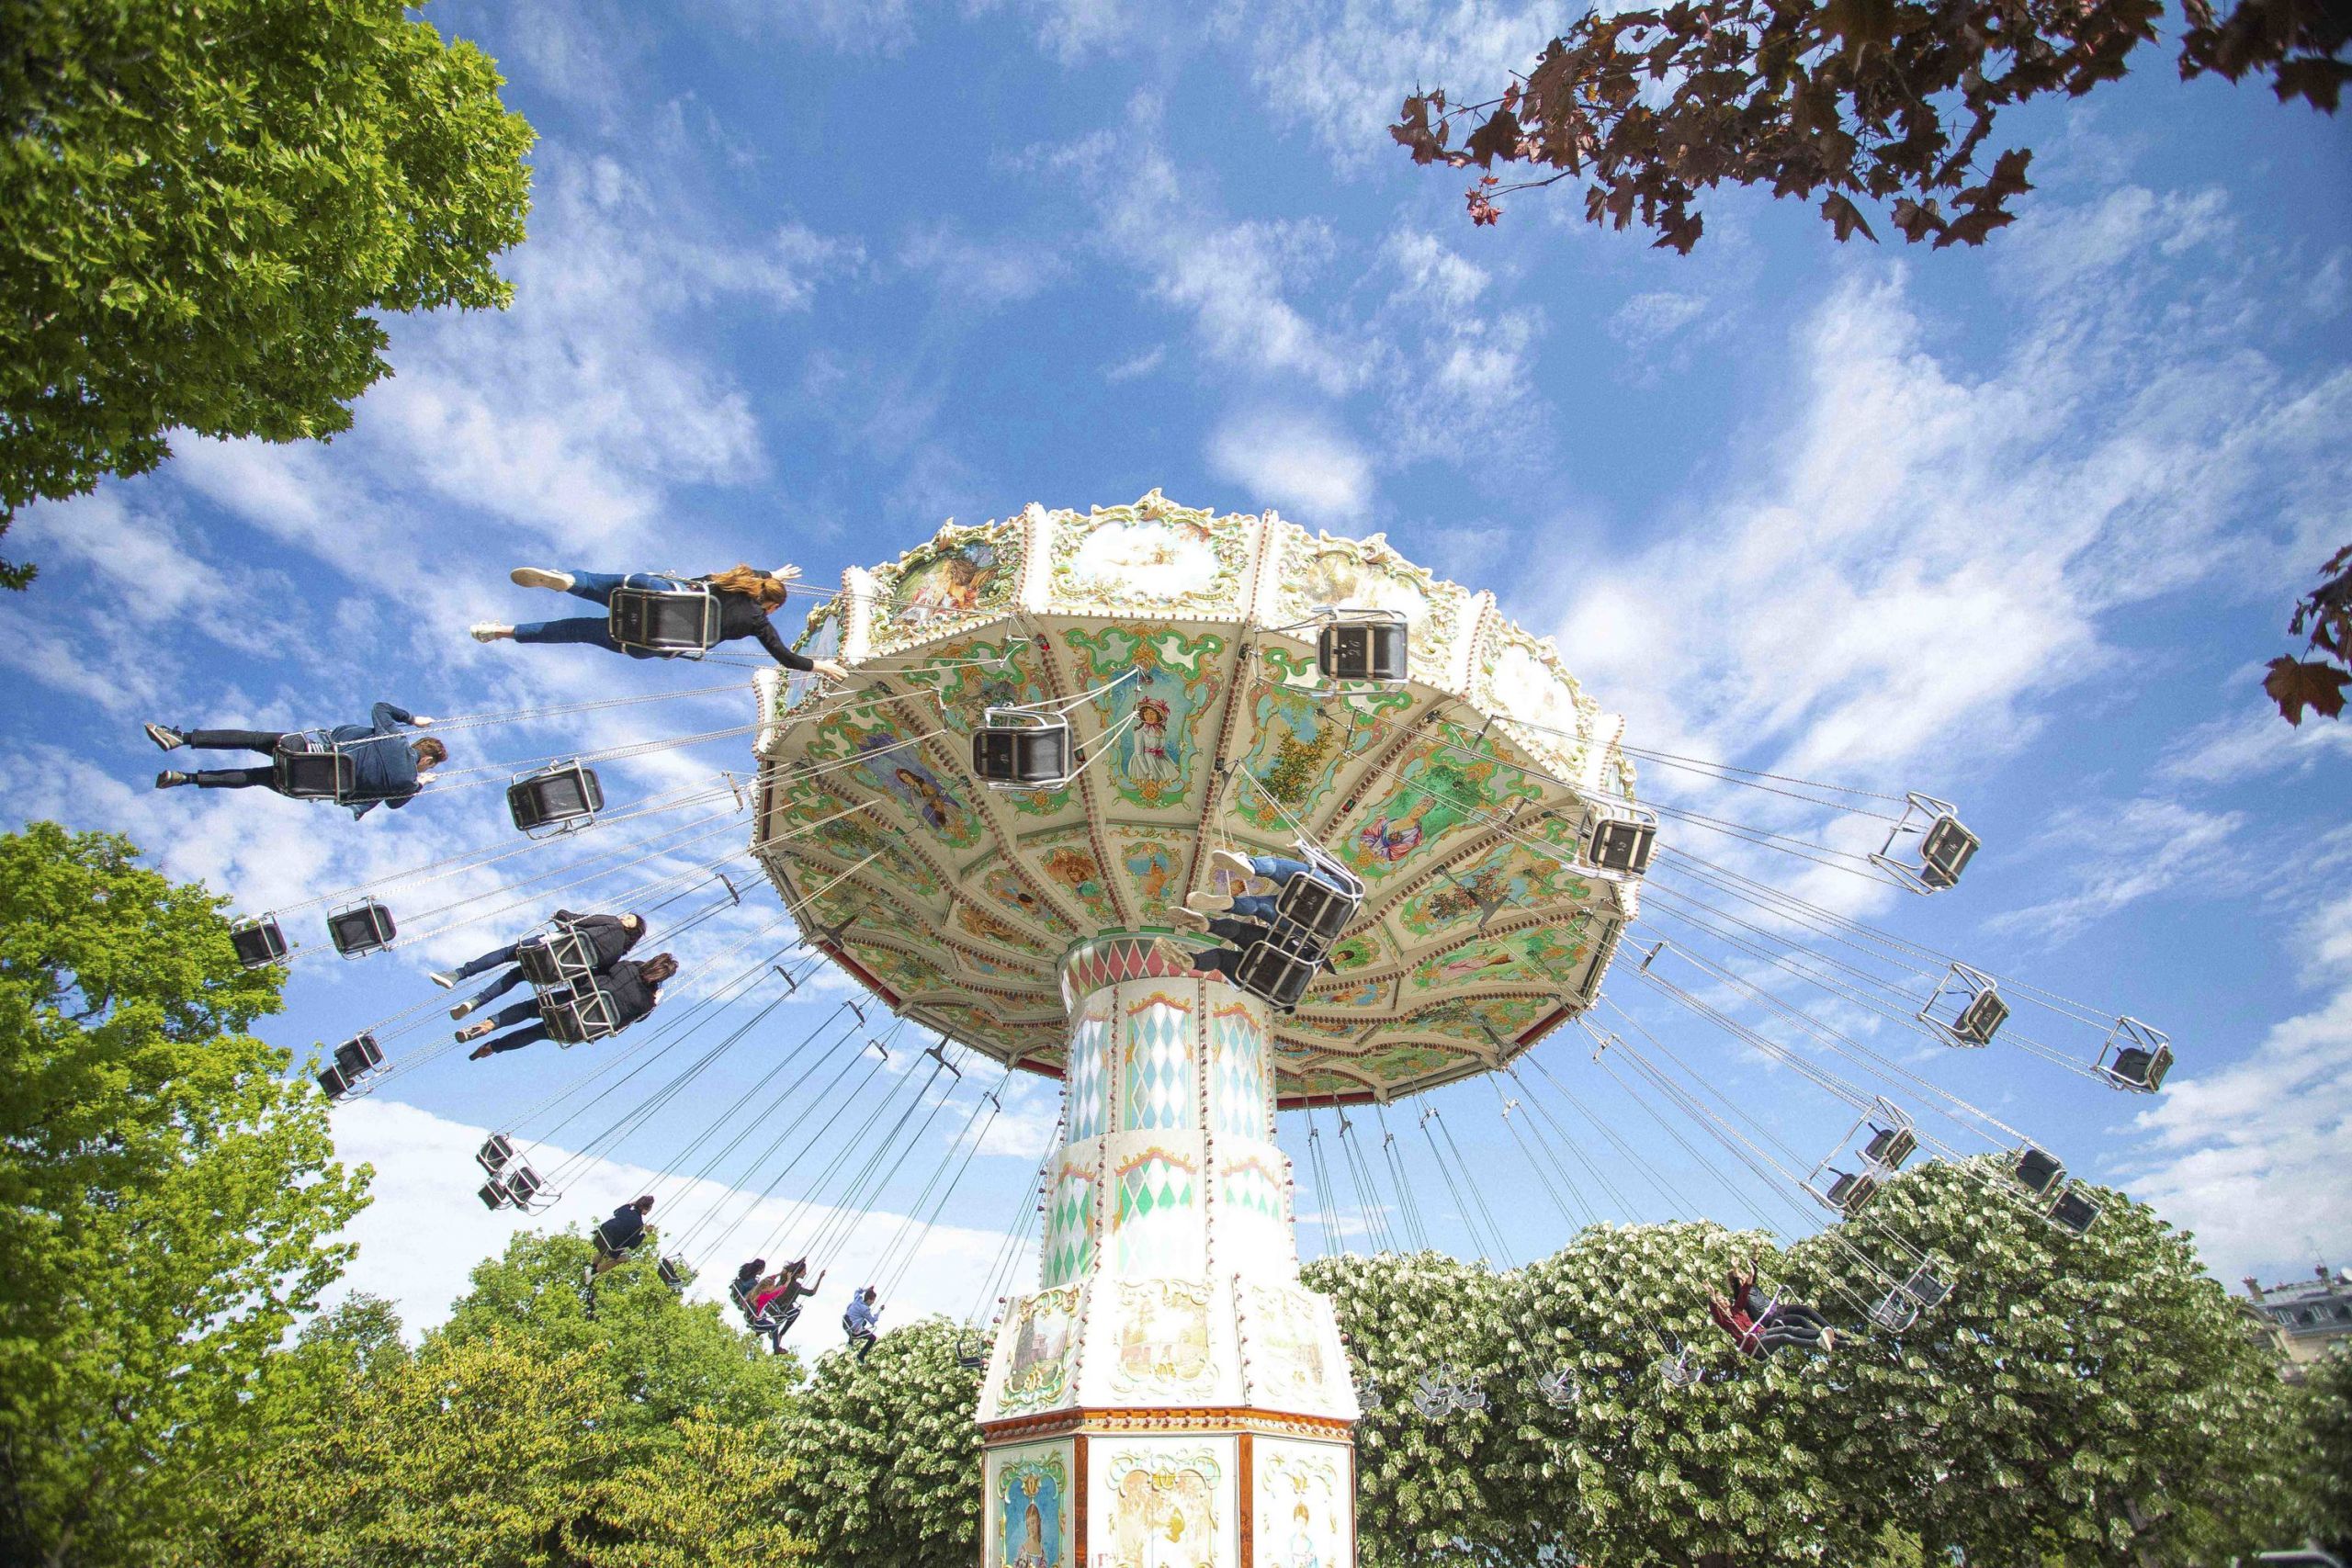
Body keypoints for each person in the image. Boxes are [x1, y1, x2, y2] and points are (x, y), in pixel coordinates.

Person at [469, 564, 854, 678]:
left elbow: (752, 574)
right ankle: (503, 632)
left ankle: (568, 582)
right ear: (769, 607)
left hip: (651, 594)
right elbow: (784, 657)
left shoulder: (726, 583)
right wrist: (821, 665)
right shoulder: (757, 622)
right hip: (646, 639)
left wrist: (776, 576)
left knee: (599, 586)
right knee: (575, 632)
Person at [146, 704, 447, 818]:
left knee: (253, 739)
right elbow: (394, 803)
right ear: (428, 762)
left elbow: (380, 708)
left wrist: (412, 719)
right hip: (307, 786)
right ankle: (185, 779)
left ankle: (182, 739)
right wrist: (419, 784)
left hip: (304, 754)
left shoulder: (392, 739)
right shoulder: (407, 783)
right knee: (253, 778)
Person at [433, 910, 647, 1019]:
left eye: (628, 918)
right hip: (555, 970)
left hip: (547, 949)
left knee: (508, 953)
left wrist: (559, 913)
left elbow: (575, 919)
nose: (623, 917)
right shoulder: (615, 957)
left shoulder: (610, 922)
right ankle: (475, 1003)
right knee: (516, 976)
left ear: (631, 927)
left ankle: (458, 974)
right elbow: (589, 976)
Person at [458, 953, 678, 1057]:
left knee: (528, 1009)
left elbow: (596, 973)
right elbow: (631, 1021)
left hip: (571, 1003)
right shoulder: (647, 1002)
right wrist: (654, 1002)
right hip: (580, 1029)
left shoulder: (628, 968)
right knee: (536, 1033)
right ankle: (494, 1047)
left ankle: (489, 1025)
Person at [1190, 850, 1317, 921]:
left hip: (1323, 890)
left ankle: (1251, 865)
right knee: (1258, 907)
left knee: (1279, 867)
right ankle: (1230, 906)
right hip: (1300, 922)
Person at [752, 1258, 825, 1349]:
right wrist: (820, 1278)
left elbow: (787, 1270)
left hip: (770, 1306)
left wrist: (800, 1261)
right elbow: (812, 1293)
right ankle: (781, 1334)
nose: (805, 1274)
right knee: (796, 1311)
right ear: (798, 1273)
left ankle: (766, 1328)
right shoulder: (797, 1287)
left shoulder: (784, 1277)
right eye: (804, 1272)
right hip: (780, 1311)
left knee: (790, 1306)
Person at [592, 1195, 656, 1278]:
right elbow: (633, 1245)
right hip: (612, 1246)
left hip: (601, 1235)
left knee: (607, 1242)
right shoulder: (638, 1224)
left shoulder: (625, 1210)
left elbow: (616, 1211)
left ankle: (593, 1265)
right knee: (624, 1257)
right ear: (647, 1209)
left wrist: (631, 1204)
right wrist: (645, 1232)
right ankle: (595, 1272)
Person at [842, 1285, 880, 1359]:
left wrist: (867, 1289)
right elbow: (872, 1321)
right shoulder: (865, 1309)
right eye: (873, 1301)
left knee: (863, 1323)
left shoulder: (858, 1299)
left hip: (845, 1323)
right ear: (869, 1300)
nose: (873, 1303)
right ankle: (861, 1356)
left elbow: (857, 1291)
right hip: (852, 1330)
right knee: (873, 1338)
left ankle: (850, 1341)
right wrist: (879, 1311)